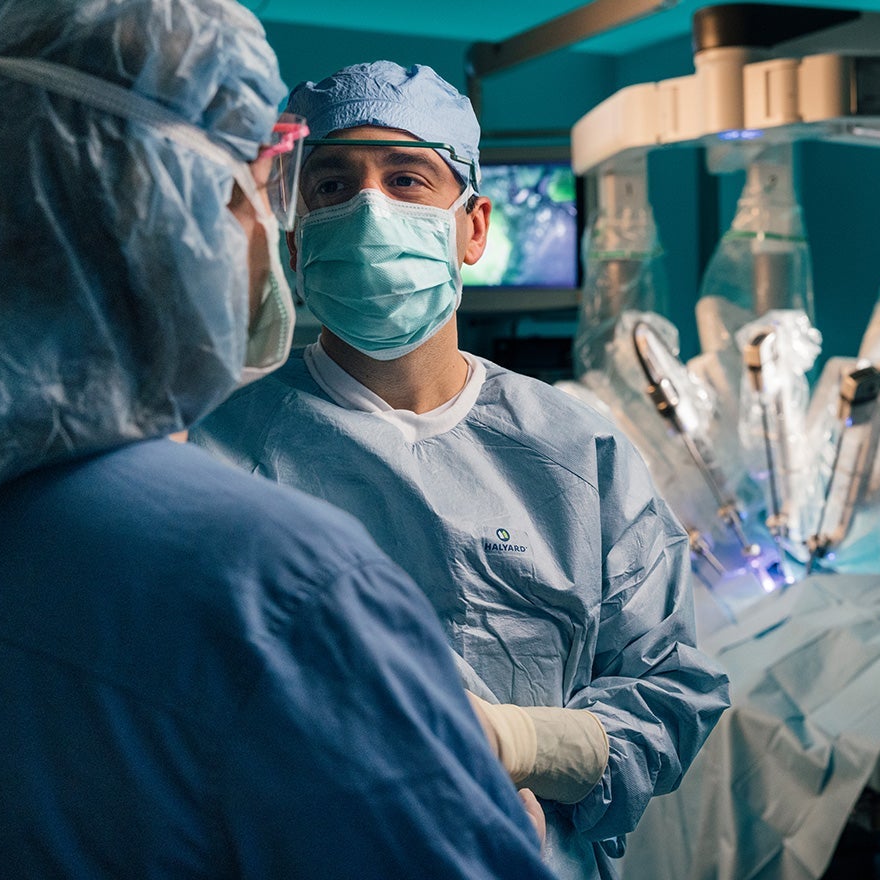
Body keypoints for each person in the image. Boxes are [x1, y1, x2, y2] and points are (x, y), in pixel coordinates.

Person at [0, 3, 556, 878]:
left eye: (407, 182)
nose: (266, 224)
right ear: (178, 211)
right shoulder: (275, 587)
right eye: (270, 187)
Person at [191, 60, 731, 880]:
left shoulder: (579, 453)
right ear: (294, 236)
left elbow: (668, 692)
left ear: (473, 227)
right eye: (332, 184)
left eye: (407, 178)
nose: (370, 208)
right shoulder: (216, 454)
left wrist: (514, 744)